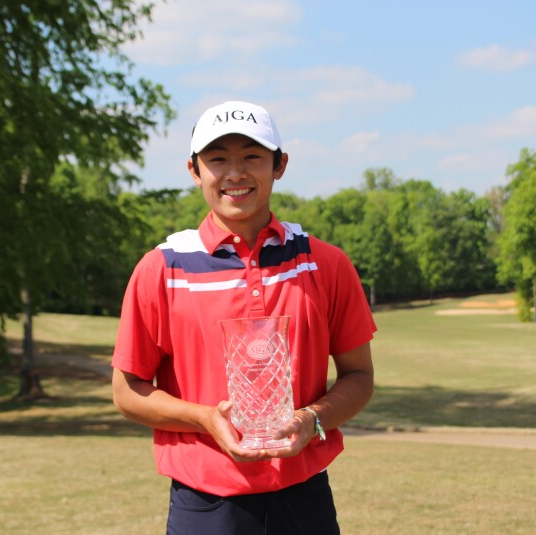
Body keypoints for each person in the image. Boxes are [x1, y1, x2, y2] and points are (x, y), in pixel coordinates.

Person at [112, 100, 376, 535]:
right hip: (205, 502)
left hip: (304, 497)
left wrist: (312, 421)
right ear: (195, 170)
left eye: (252, 156)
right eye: (218, 159)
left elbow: (359, 377)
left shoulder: (324, 264)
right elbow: (127, 392)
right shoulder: (163, 269)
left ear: (280, 165)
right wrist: (204, 419)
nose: (235, 173)